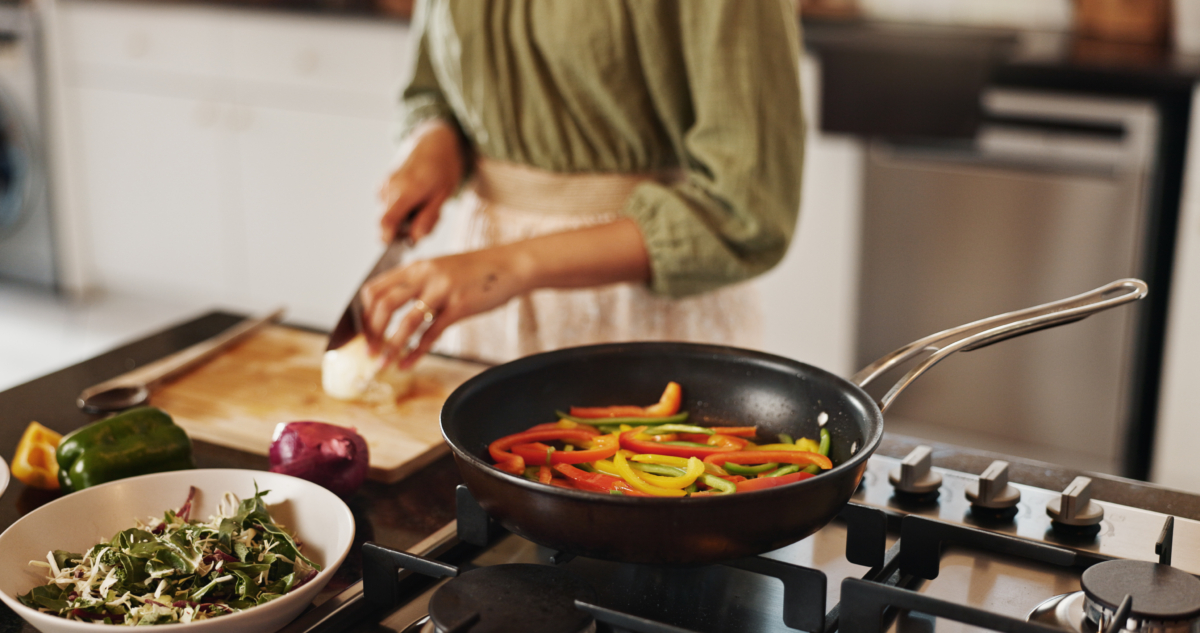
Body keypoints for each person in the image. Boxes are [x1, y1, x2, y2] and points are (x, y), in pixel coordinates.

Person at [361, 0, 805, 368]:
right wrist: (434, 140)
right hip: (484, 304)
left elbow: (745, 211)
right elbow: (432, 84)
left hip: (642, 320)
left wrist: (512, 265)